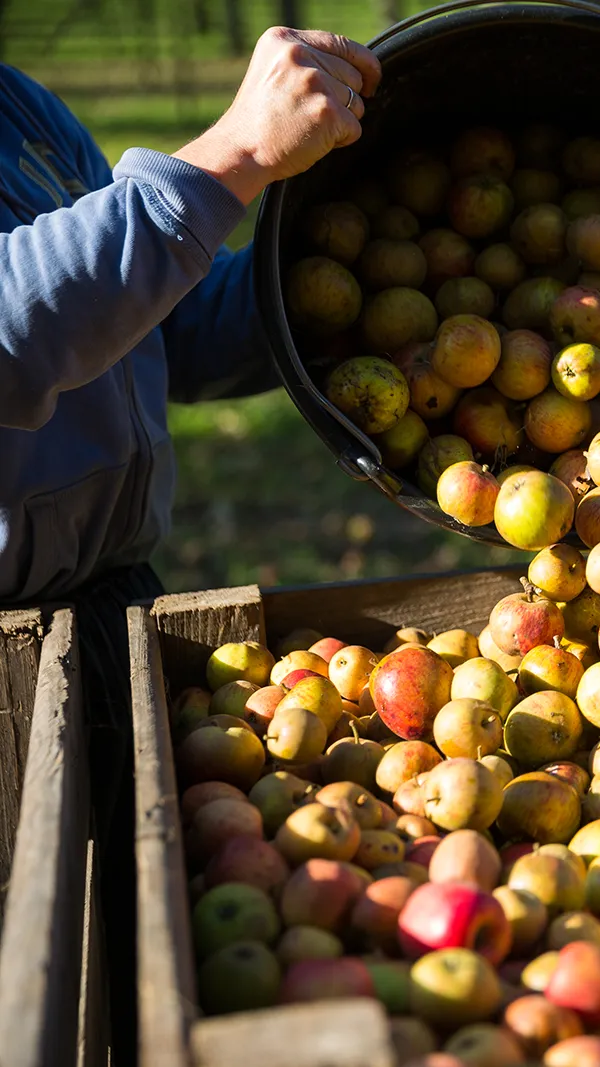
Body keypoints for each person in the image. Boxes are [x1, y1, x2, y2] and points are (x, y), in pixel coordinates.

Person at [0, 27, 381, 1061]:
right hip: (2, 663)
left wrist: (350, 262)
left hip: (117, 608)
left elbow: (151, 327)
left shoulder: (17, 110)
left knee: (152, 975)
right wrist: (231, 157)